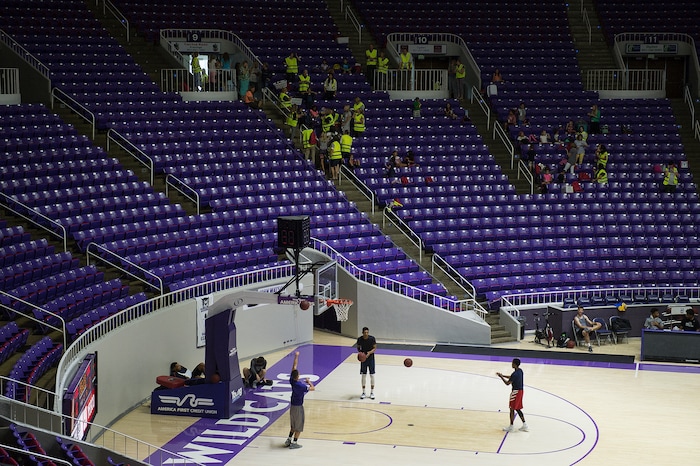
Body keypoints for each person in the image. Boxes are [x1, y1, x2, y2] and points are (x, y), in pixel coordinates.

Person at [284, 351, 315, 449]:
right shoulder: (300, 386)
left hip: (292, 406)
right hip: (298, 407)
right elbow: (313, 388)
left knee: (293, 425)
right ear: (297, 377)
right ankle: (294, 443)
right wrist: (309, 382)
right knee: (299, 426)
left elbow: (294, 367)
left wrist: (296, 356)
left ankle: (288, 439)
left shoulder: (292, 381)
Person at [497, 358, 528, 433]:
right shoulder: (520, 371)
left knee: (512, 408)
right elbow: (512, 377)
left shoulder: (515, 374)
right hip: (521, 391)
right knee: (517, 408)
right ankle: (525, 425)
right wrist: (503, 375)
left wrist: (501, 377)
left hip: (515, 392)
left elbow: (508, 383)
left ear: (514, 364)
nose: (511, 364)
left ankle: (511, 426)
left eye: (512, 363)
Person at [356, 326, 377, 399]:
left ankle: (372, 392)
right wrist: (361, 354)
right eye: (365, 332)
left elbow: (374, 348)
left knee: (372, 375)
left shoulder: (372, 339)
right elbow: (358, 347)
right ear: (362, 333)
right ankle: (363, 392)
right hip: (363, 360)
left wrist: (369, 353)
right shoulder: (360, 339)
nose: (366, 334)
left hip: (371, 359)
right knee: (363, 375)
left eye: (367, 332)